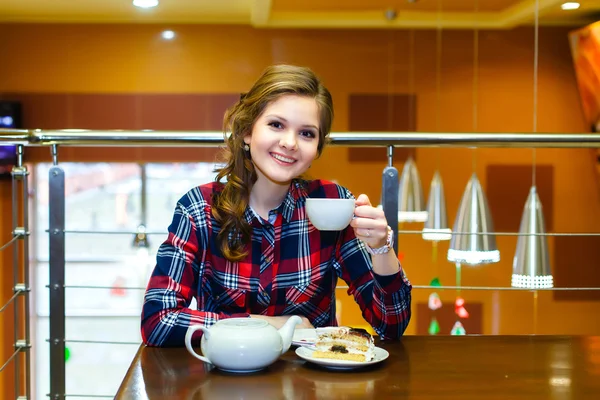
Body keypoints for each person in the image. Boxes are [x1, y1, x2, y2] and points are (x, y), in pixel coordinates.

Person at [141, 64, 411, 347]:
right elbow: (157, 322)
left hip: (311, 385)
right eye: (276, 125)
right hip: (225, 383)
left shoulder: (332, 204)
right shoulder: (199, 208)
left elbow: (391, 324)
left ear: (317, 148)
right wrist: (268, 325)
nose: (290, 143)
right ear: (247, 132)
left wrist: (381, 247)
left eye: (307, 133)